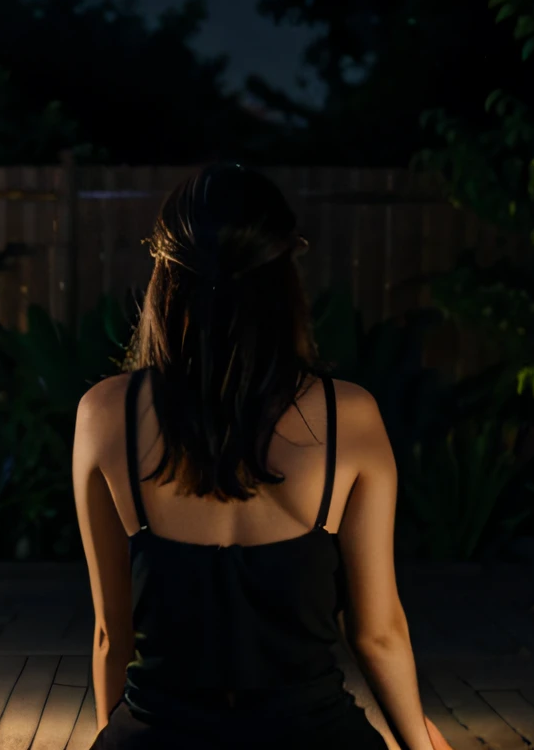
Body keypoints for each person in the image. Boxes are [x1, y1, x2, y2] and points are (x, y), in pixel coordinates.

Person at [72, 164, 451, 749]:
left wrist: (112, 739)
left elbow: (110, 636)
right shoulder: (348, 415)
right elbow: (377, 634)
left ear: (164, 278)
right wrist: (421, 747)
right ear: (283, 278)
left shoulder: (104, 414)